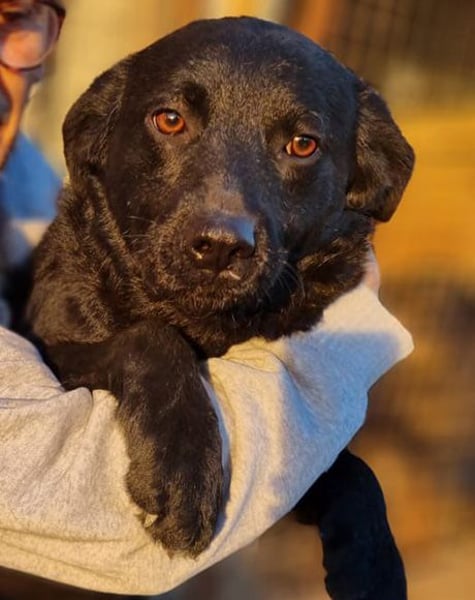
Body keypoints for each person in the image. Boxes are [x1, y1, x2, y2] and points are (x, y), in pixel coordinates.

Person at [0, 1, 413, 596]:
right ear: (96, 137)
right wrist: (338, 343)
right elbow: (130, 534)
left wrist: (343, 486)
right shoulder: (69, 256)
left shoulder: (20, 183)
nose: (224, 225)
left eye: (300, 144)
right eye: (172, 122)